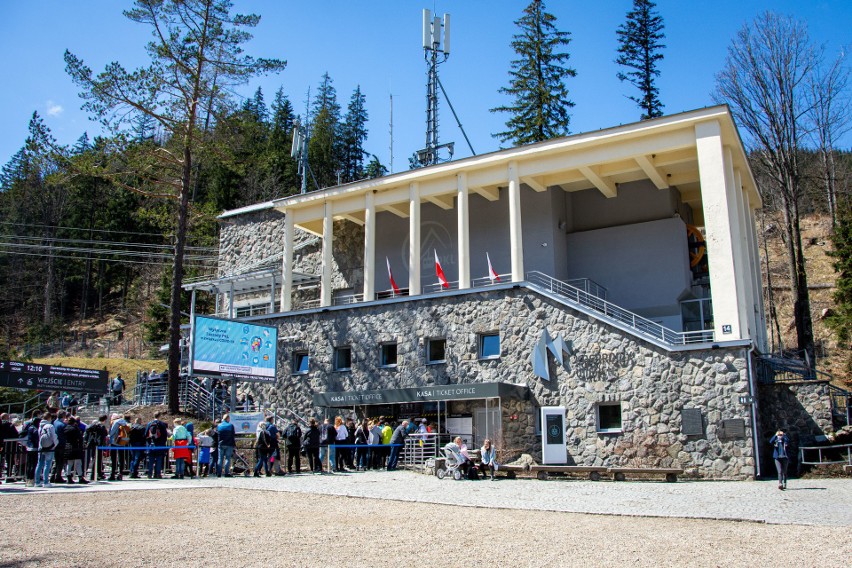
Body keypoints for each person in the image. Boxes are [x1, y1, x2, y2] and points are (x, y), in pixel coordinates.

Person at [35, 413, 58, 488]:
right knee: (47, 464)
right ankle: (46, 482)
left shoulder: (40, 426)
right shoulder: (50, 426)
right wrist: (55, 444)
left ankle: (37, 481)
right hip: (49, 447)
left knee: (39, 464)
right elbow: (54, 436)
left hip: (41, 446)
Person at [63, 417, 87, 484]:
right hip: (75, 446)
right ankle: (80, 477)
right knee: (78, 463)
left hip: (67, 446)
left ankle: (68, 477)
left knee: (69, 463)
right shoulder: (75, 429)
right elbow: (80, 438)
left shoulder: (65, 428)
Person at [84, 415, 108, 481]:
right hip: (98, 445)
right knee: (97, 460)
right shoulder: (101, 426)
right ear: (105, 420)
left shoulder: (94, 425)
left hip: (92, 444)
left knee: (95, 459)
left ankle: (97, 474)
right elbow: (104, 435)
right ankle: (94, 475)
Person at [145, 412, 169, 479]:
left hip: (151, 445)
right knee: (159, 460)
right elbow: (165, 435)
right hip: (160, 445)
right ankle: (158, 474)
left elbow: (146, 434)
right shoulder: (162, 424)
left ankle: (149, 474)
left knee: (151, 460)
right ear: (160, 416)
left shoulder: (149, 424)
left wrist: (148, 442)